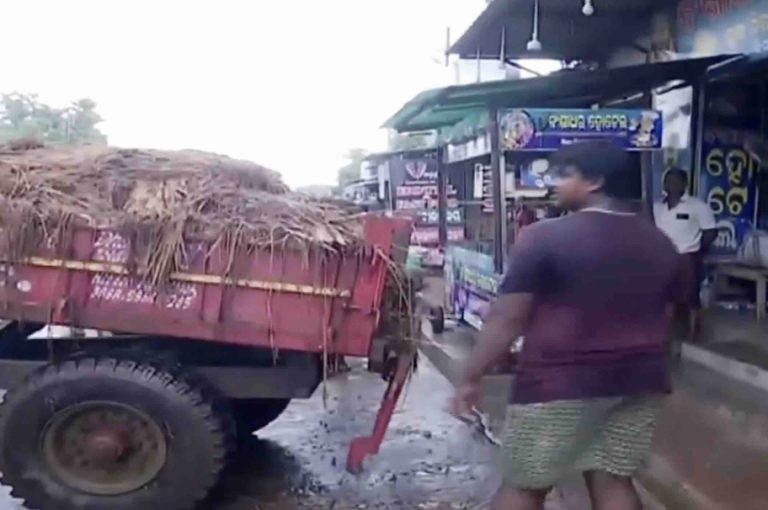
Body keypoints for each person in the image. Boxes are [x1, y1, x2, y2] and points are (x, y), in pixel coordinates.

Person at [452, 141, 682, 510]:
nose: (552, 184)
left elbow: (509, 317)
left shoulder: (545, 237)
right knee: (612, 480)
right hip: (640, 381)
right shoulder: (659, 242)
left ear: (594, 181)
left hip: (558, 384)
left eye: (563, 174)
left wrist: (470, 376)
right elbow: (669, 314)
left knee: (525, 485)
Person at [653, 167, 717, 342]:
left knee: (690, 296)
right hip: (663, 258)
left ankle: (694, 333)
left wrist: (697, 251)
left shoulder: (697, 206)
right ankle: (668, 334)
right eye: (668, 180)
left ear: (684, 183)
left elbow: (710, 232)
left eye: (675, 180)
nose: (671, 184)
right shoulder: (657, 207)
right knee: (666, 296)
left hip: (687, 256)